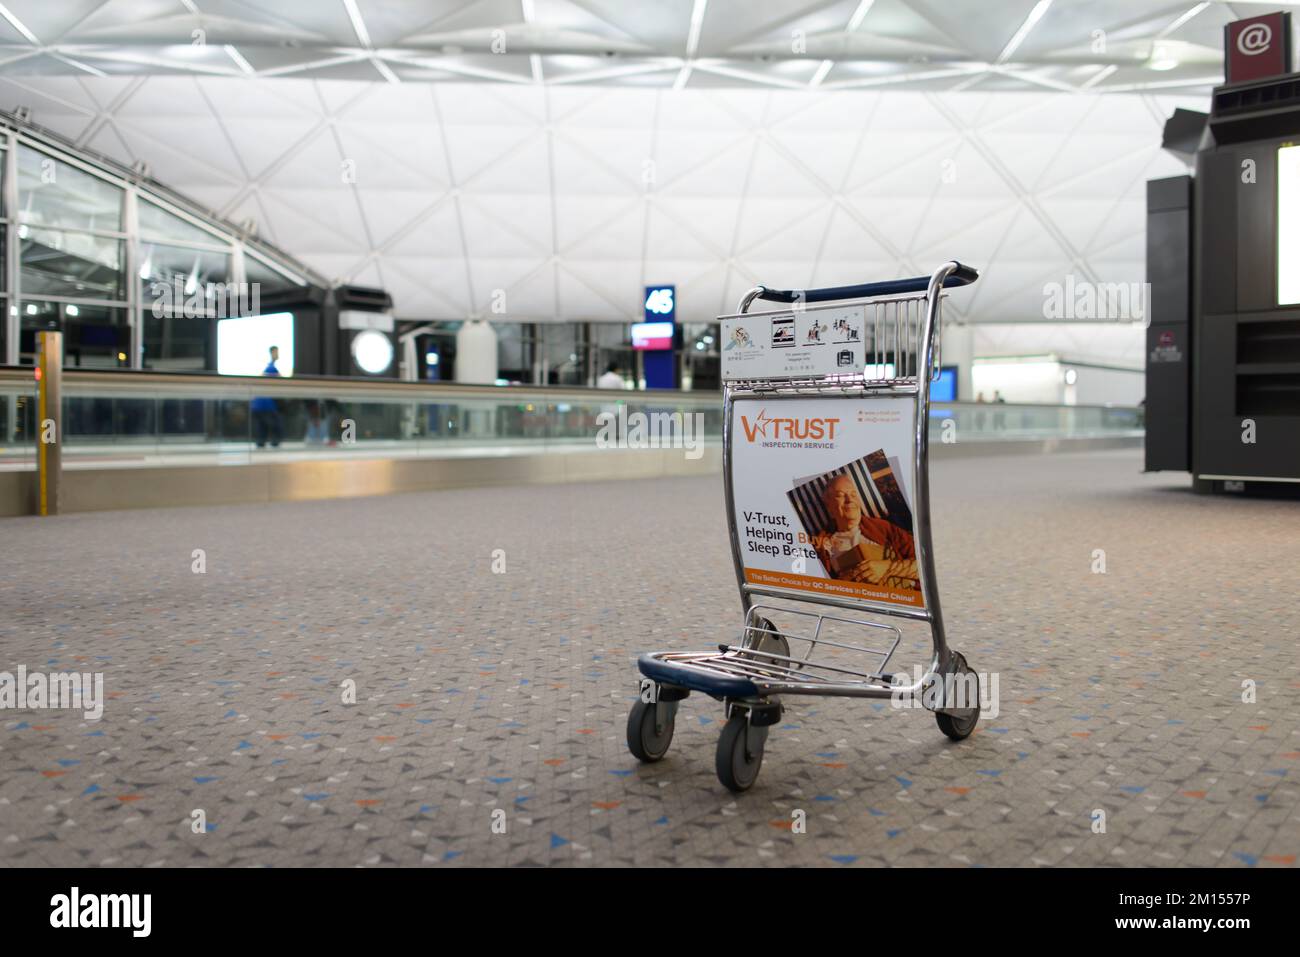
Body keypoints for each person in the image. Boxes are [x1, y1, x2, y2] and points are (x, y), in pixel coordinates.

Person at [811, 474, 918, 590]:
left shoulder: (883, 528)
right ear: (829, 507)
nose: (849, 499)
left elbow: (924, 565)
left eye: (853, 494)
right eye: (840, 495)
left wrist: (887, 568)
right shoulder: (822, 547)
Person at [250, 345, 283, 448]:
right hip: (264, 403)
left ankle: (262, 443)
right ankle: (270, 442)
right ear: (272, 352)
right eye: (276, 352)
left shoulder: (270, 367)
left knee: (263, 427)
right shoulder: (271, 368)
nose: (278, 354)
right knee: (274, 425)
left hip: (260, 404)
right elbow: (280, 381)